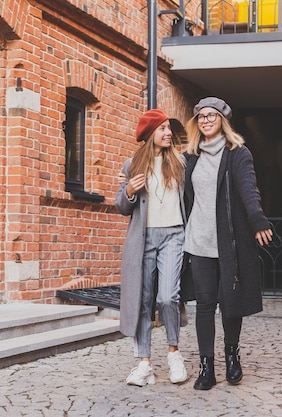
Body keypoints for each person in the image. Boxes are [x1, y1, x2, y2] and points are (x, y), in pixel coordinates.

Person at [183, 97, 273, 390]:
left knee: (230, 304)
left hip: (228, 242)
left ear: (223, 120)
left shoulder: (238, 154)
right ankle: (206, 367)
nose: (206, 120)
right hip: (198, 241)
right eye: (201, 117)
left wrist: (258, 220)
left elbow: (249, 189)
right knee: (206, 304)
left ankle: (232, 357)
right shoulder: (190, 157)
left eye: (212, 115)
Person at [115, 109, 189, 387]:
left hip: (174, 236)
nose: (168, 133)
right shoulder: (132, 165)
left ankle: (173, 353)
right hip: (143, 240)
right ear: (149, 135)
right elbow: (121, 206)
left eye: (169, 128)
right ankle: (144, 363)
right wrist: (130, 191)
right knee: (142, 300)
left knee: (168, 297)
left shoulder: (180, 163)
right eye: (162, 129)